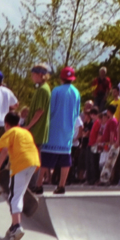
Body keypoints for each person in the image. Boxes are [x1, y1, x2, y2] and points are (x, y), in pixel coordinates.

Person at [0, 115, 42, 240]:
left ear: (6, 124)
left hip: (20, 165)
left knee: (14, 196)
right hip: (33, 163)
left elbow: (4, 152)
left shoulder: (10, 132)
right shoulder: (26, 132)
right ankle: (13, 225)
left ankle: (17, 227)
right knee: (19, 194)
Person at [42, 64, 81, 192]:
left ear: (61, 77)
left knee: (46, 158)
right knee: (65, 159)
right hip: (68, 129)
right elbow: (76, 112)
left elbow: (50, 110)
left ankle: (38, 184)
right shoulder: (76, 92)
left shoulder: (56, 90)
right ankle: (62, 185)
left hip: (54, 129)